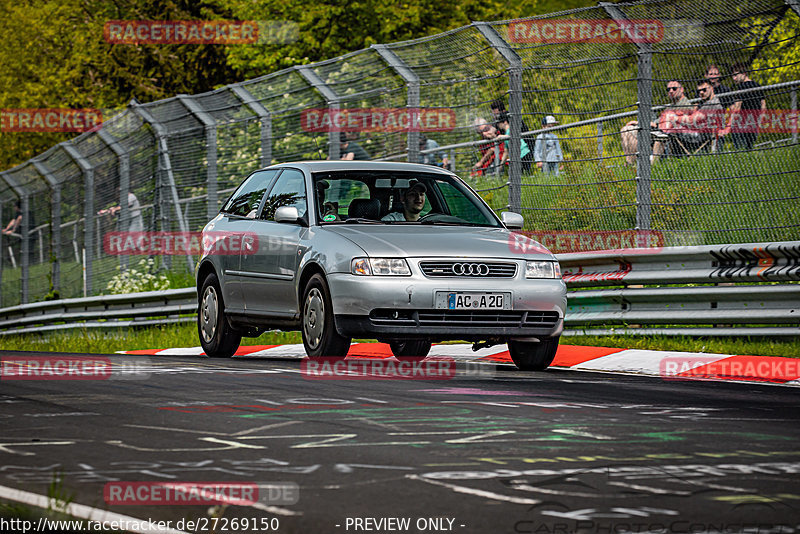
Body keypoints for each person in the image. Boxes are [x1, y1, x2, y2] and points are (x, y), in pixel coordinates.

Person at [719, 63, 766, 151]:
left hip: (741, 123)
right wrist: (760, 120)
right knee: (749, 148)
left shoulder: (741, 87)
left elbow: (737, 108)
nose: (734, 78)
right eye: (732, 76)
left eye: (736, 75)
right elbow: (763, 105)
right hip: (754, 122)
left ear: (744, 73)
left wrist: (728, 127)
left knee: (740, 150)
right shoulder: (757, 85)